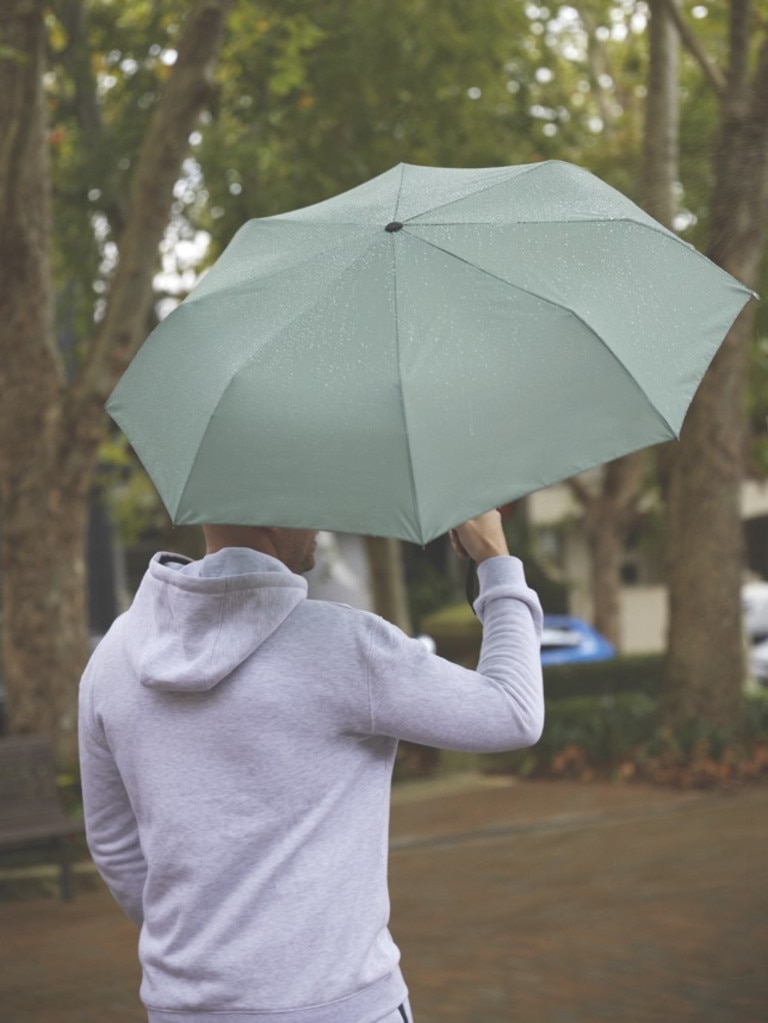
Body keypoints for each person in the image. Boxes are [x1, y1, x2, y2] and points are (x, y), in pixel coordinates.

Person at [78, 510, 544, 1023]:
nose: (321, 522)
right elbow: (512, 712)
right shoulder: (344, 645)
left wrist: (211, 944)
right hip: (338, 1006)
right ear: (275, 511)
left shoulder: (112, 658)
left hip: (186, 1008)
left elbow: (114, 846)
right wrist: (496, 561)